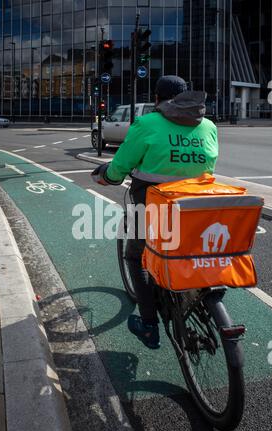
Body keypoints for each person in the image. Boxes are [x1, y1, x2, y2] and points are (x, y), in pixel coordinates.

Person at [94, 75, 219, 349]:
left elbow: (120, 165)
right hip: (195, 206)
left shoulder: (147, 123)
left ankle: (149, 325)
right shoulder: (208, 126)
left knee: (134, 256)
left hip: (152, 204)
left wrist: (107, 176)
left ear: (157, 98)